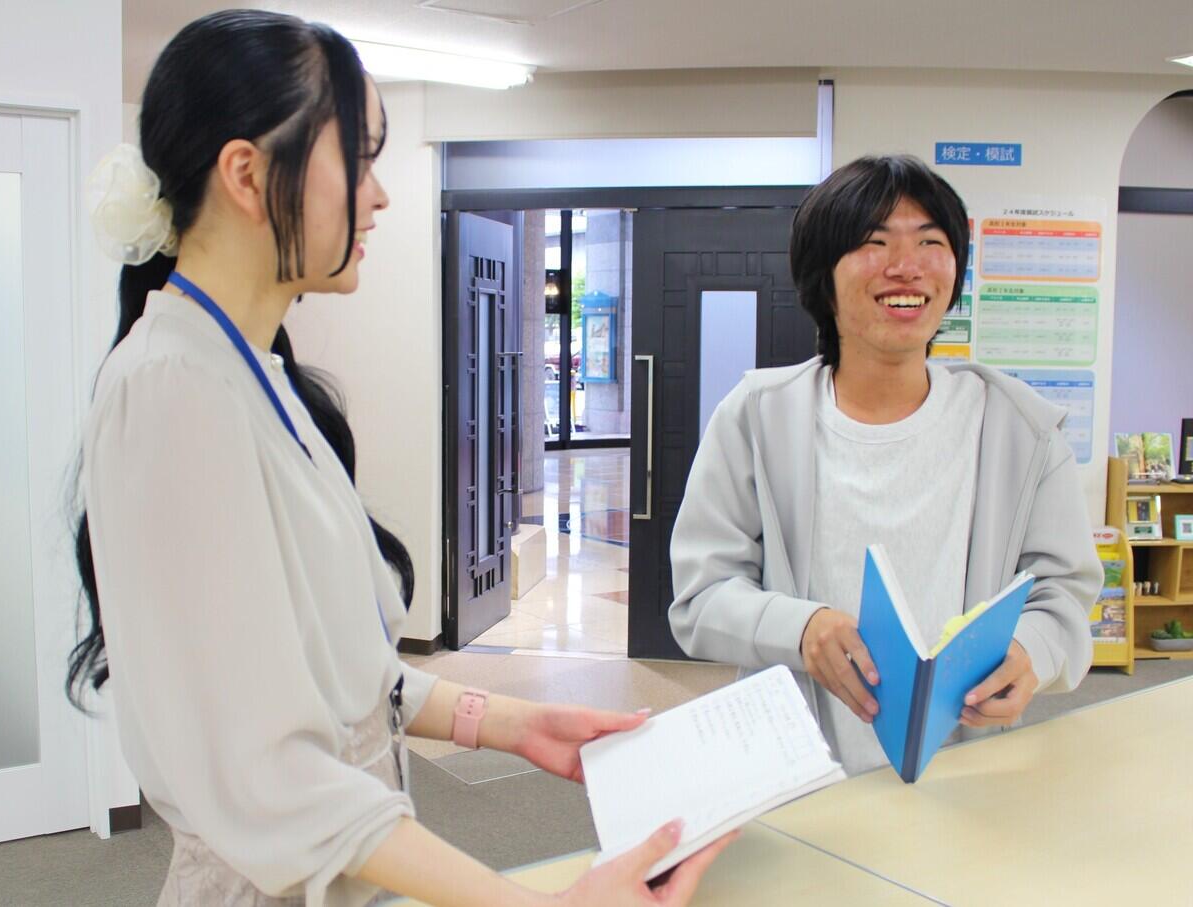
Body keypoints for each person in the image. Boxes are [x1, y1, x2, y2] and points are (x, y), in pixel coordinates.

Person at [68, 10, 733, 906]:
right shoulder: (171, 390)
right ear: (245, 173)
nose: (379, 196)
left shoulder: (256, 376)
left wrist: (515, 721)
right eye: (361, 158)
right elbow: (272, 778)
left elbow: (346, 678)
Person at [668, 154, 1102, 777]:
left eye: (931, 241)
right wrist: (802, 627)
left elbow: (1062, 592)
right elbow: (701, 598)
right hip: (796, 769)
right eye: (875, 243)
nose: (907, 266)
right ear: (824, 276)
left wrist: (1031, 648)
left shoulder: (1020, 428)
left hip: (969, 772)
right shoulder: (758, 417)